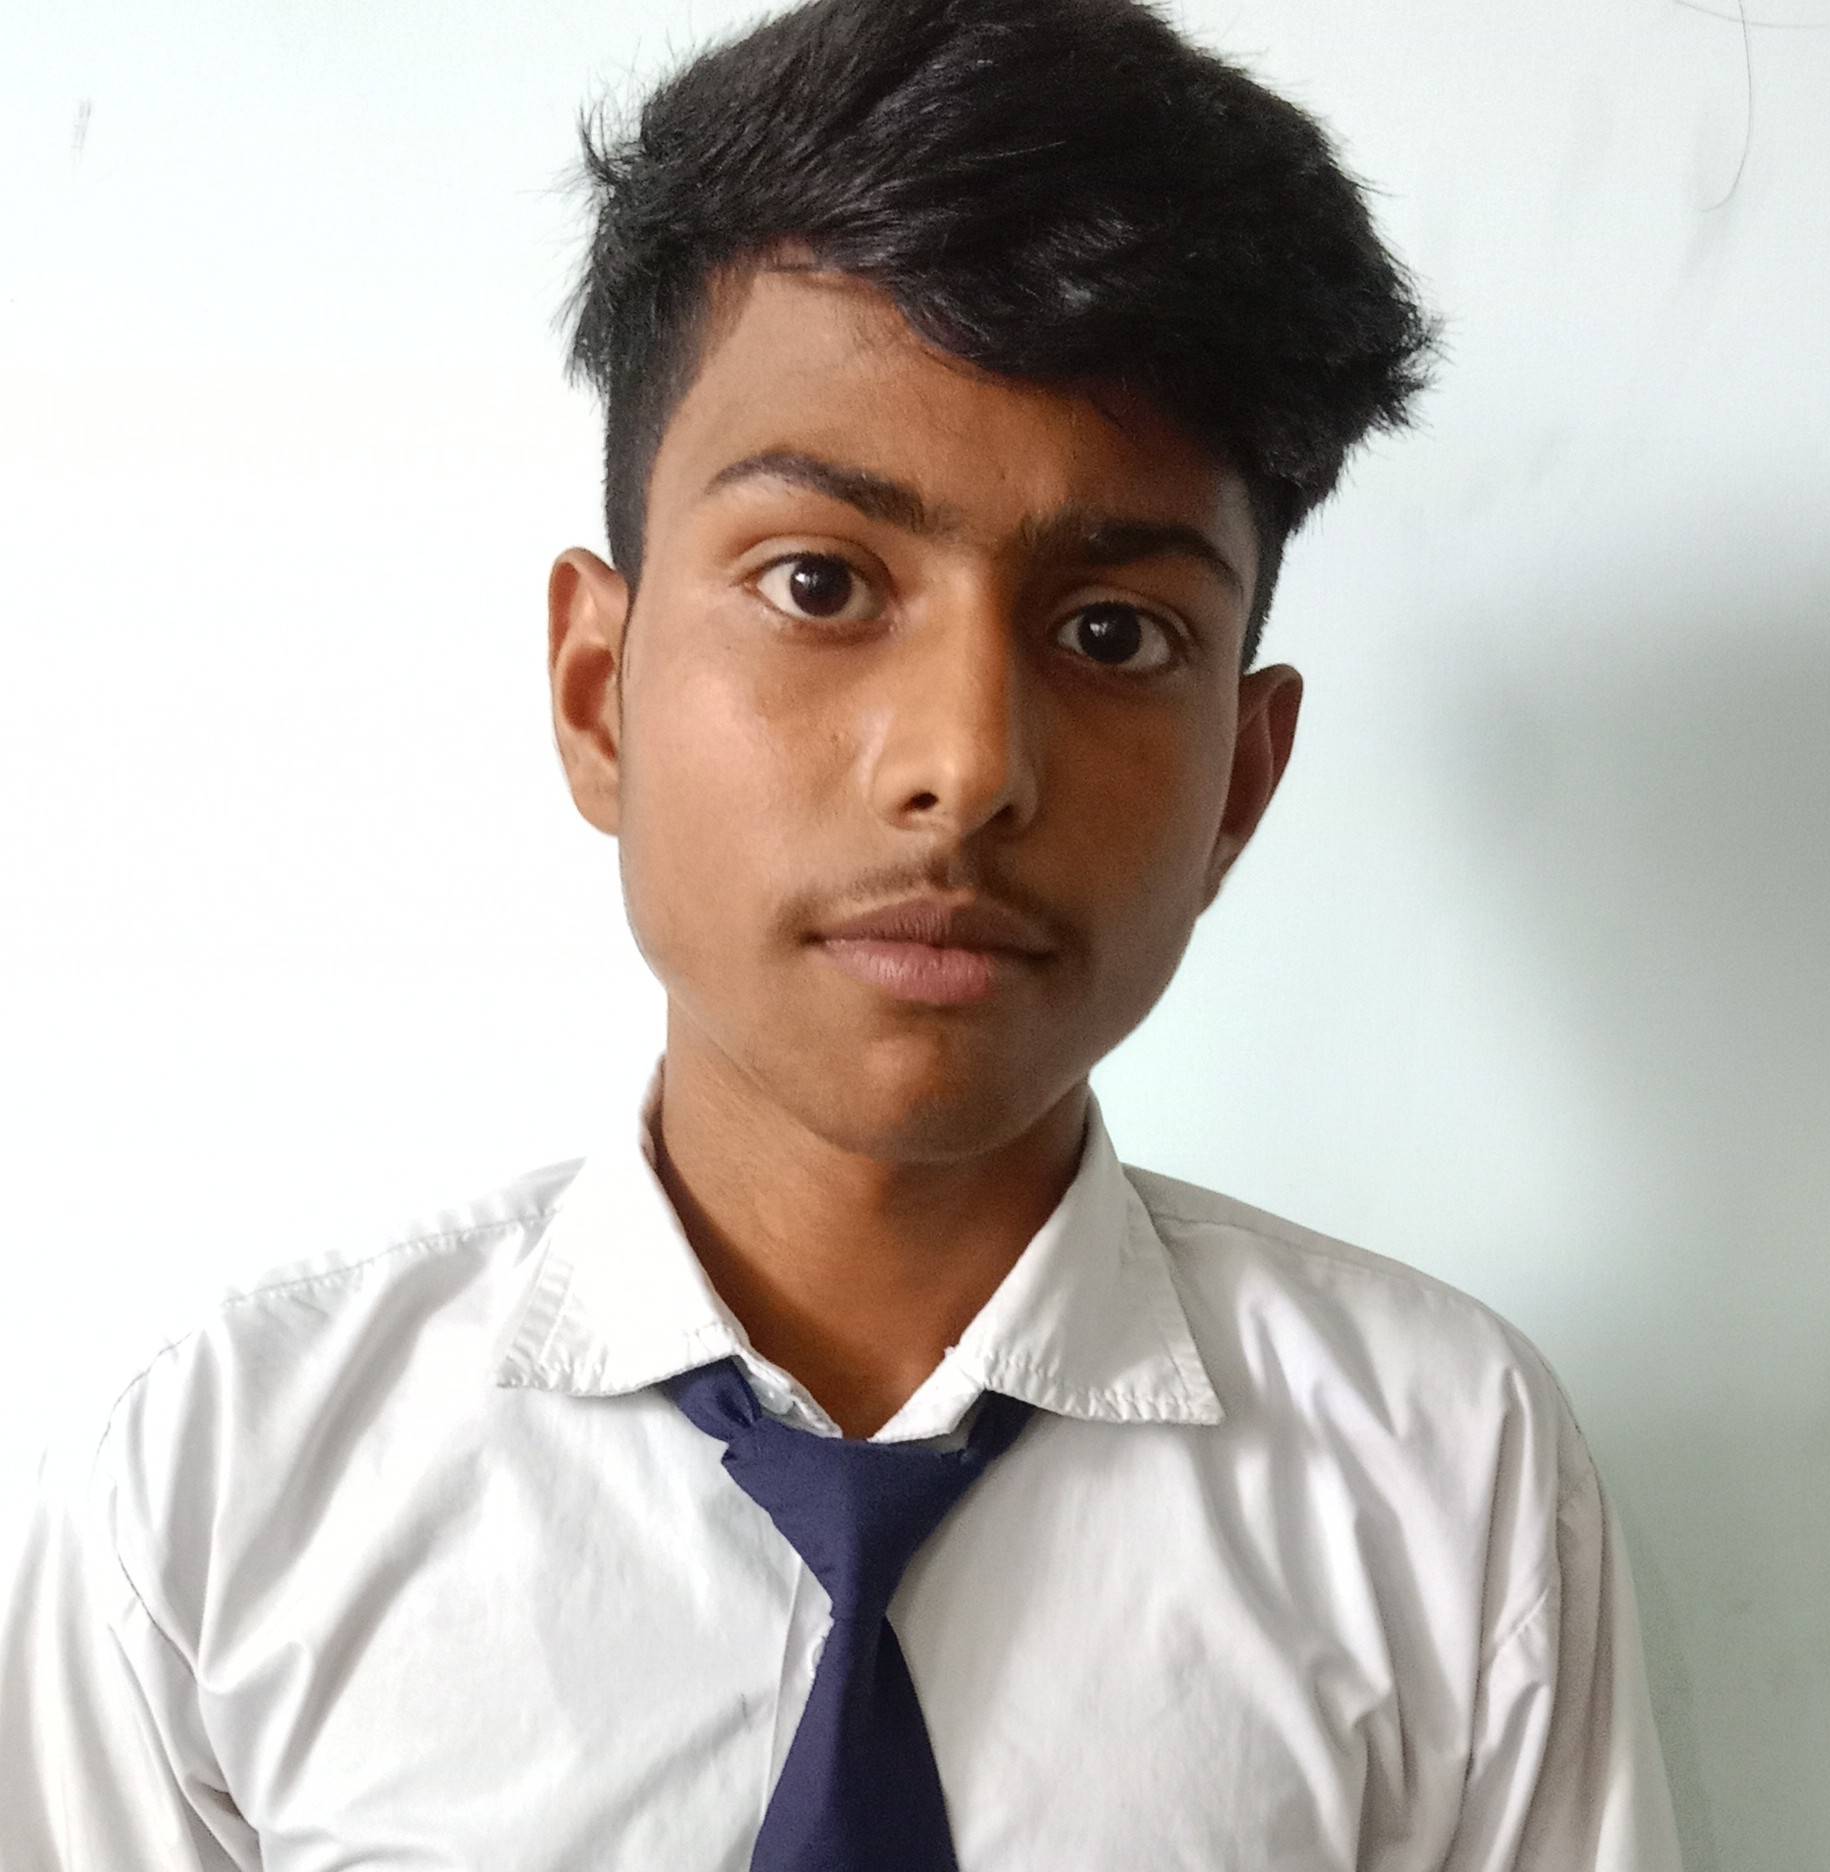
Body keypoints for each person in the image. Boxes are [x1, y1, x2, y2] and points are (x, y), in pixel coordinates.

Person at [0, 0, 1685, 1865]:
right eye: (820, 582)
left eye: (1114, 631)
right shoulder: (219, 1501)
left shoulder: (1445, 1486)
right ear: (597, 693)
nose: (966, 766)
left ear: (1241, 782)